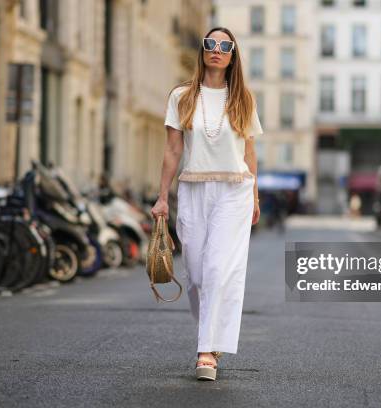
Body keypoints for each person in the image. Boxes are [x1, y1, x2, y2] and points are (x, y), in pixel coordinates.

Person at [150, 27, 263, 381]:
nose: (216, 50)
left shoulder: (243, 97)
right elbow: (172, 150)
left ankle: (205, 353)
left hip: (234, 190)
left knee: (218, 270)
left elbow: (249, 151)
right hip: (193, 190)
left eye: (224, 45)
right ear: (202, 51)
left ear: (233, 55)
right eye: (210, 44)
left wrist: (256, 194)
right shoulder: (182, 96)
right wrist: (162, 196)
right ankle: (211, 338)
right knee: (198, 274)